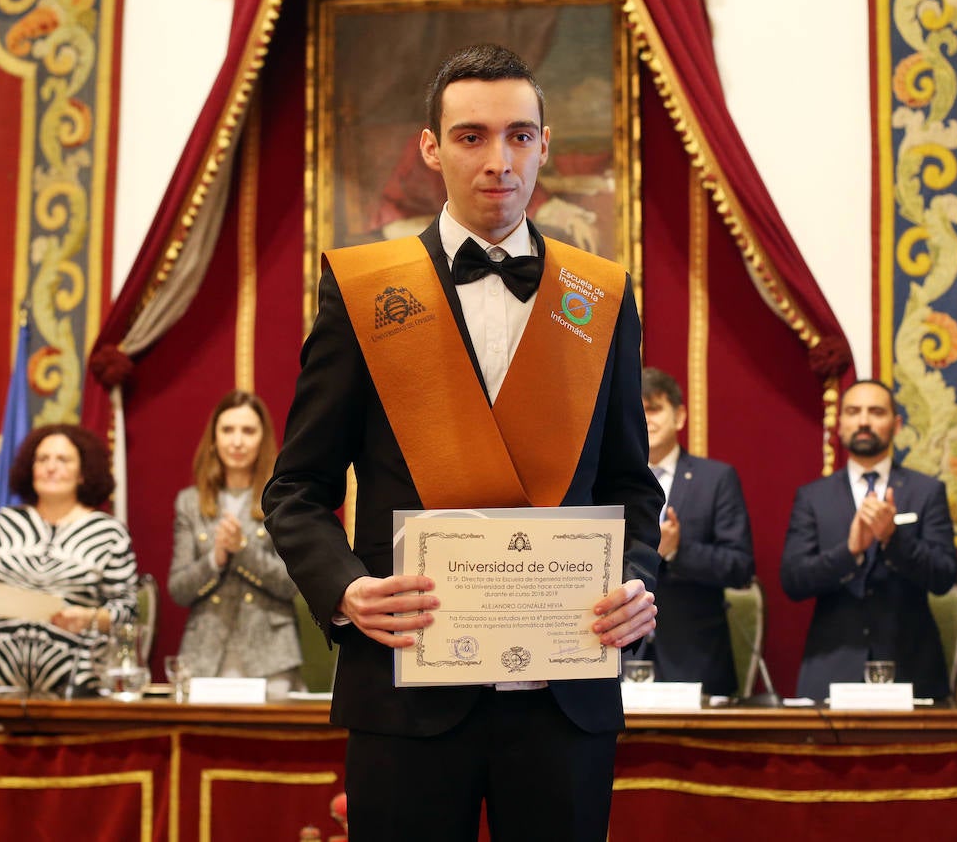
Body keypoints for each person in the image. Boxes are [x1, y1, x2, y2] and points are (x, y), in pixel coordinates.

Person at [262, 43, 662, 842]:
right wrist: (346, 589)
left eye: (519, 135)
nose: (499, 160)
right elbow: (295, 489)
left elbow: (630, 483)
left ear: (545, 145)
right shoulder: (364, 290)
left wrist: (638, 580)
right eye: (472, 136)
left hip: (564, 695)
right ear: (431, 148)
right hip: (405, 691)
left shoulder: (602, 295)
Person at [779, 379, 957, 701]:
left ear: (896, 424)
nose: (864, 421)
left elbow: (944, 576)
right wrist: (850, 552)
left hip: (911, 667)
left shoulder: (927, 491)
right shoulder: (813, 497)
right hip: (832, 667)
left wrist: (893, 538)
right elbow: (793, 580)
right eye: (853, 412)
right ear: (840, 424)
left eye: (875, 412)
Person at [0, 424, 138, 697]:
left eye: (63, 460)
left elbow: (128, 610)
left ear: (84, 472)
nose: (50, 467)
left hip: (76, 687)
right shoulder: (4, 523)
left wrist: (89, 618)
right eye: (42, 459)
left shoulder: (108, 533)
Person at [168, 390, 303, 696]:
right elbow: (178, 589)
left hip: (270, 656)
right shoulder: (189, 503)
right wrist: (214, 558)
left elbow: (291, 584)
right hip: (204, 656)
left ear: (262, 439)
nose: (237, 441)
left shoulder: (283, 500)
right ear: (214, 439)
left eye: (248, 431)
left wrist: (243, 550)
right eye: (228, 430)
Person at [640, 367, 754, 696]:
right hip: (621, 656)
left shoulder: (716, 479)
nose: (645, 420)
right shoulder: (609, 484)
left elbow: (740, 567)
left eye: (654, 409)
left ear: (679, 416)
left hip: (694, 659)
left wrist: (677, 551)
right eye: (637, 411)